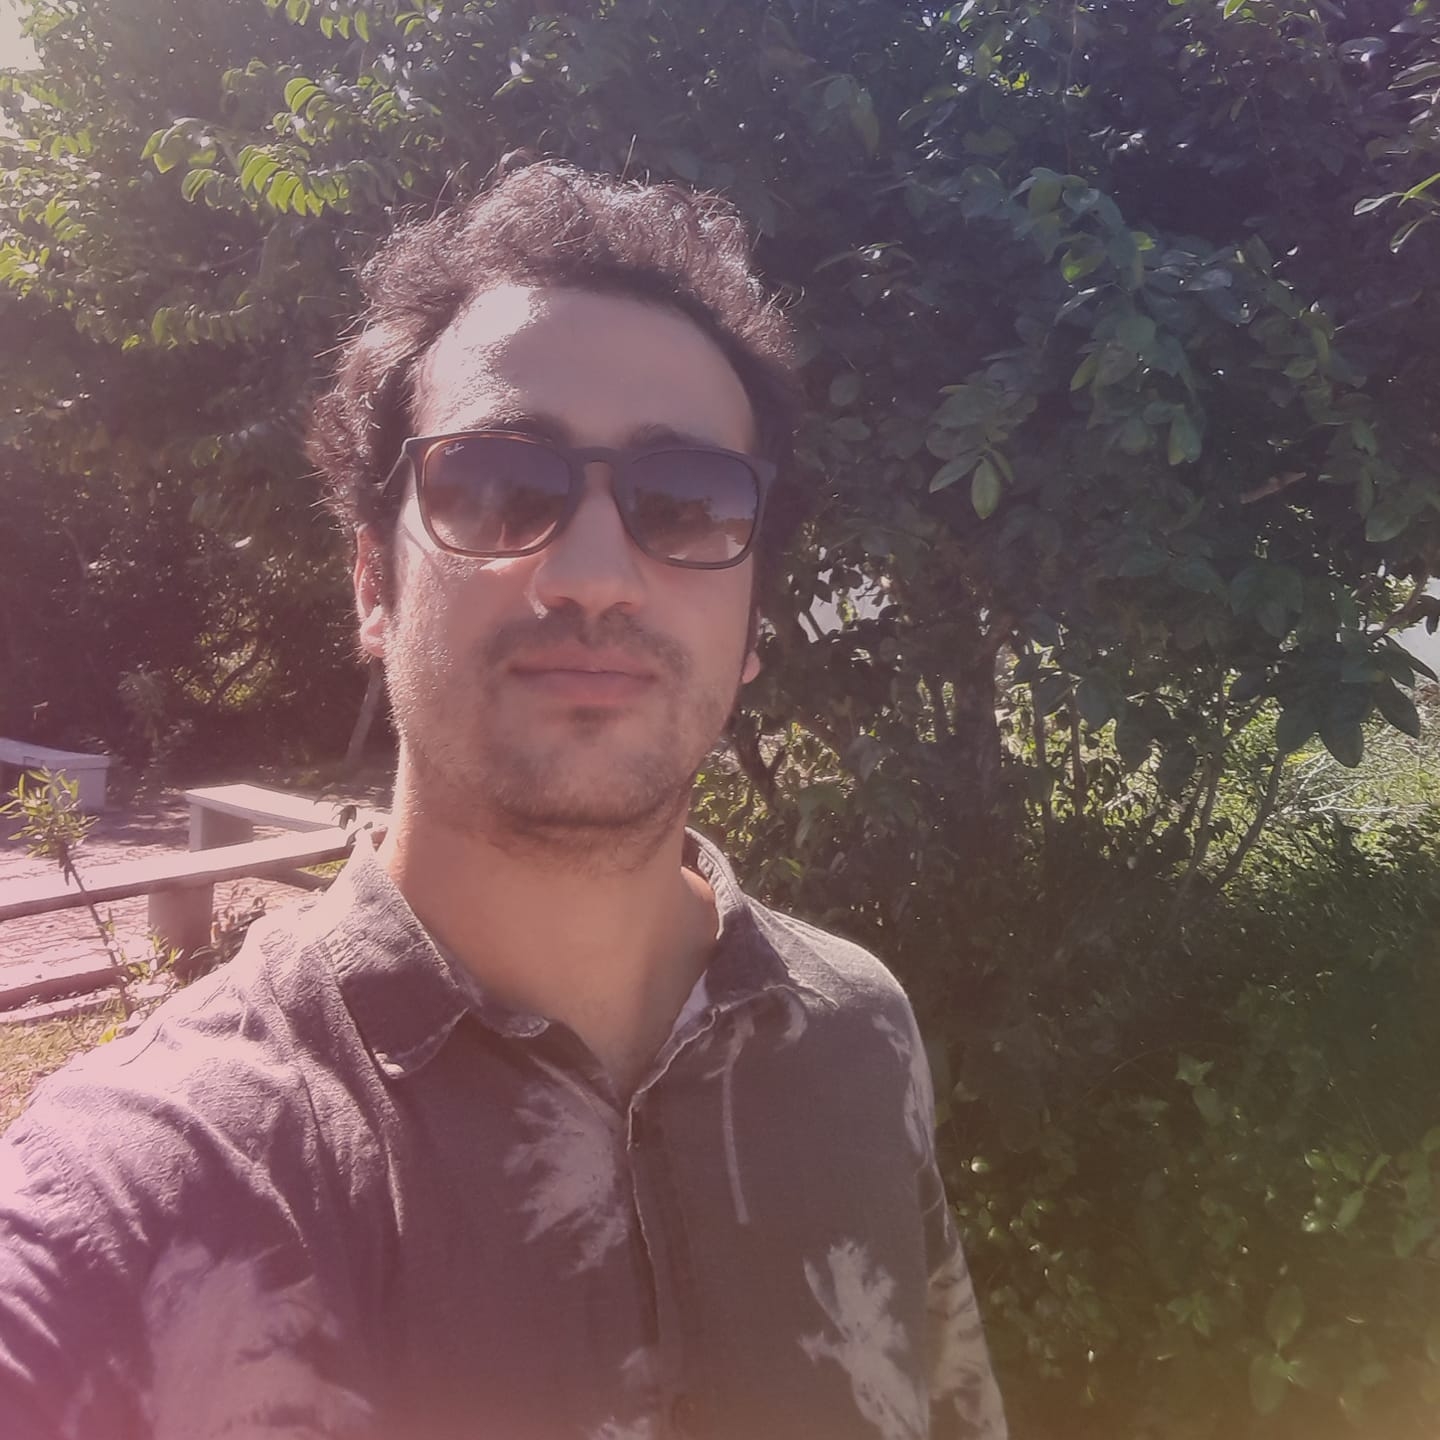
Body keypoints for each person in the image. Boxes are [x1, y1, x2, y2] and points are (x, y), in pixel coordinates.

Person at [0, 161, 1006, 1440]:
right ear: (373, 583)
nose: (595, 574)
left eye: (687, 503)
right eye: (494, 485)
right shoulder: (138, 1190)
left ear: (754, 618)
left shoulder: (859, 1038)